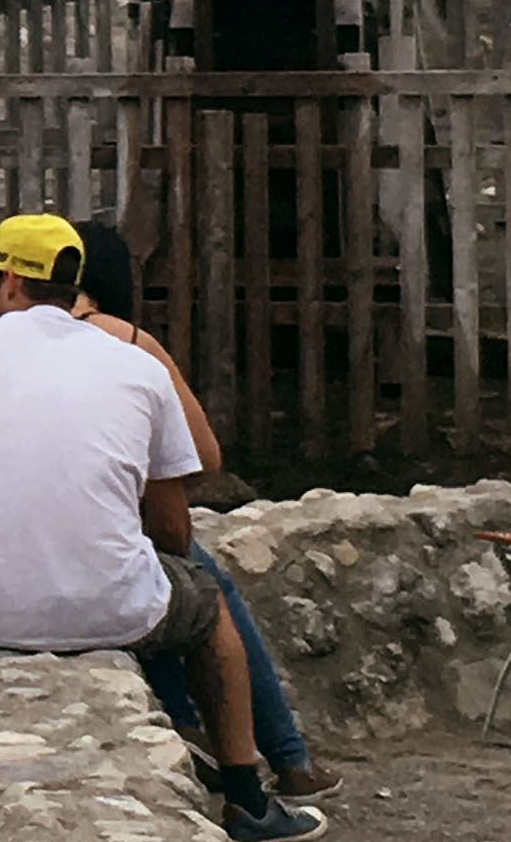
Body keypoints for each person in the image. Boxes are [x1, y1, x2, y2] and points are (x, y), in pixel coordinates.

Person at [0, 209, 323, 842]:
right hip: (122, 611)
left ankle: (217, 758)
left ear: (10, 280)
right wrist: (148, 574)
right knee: (209, 609)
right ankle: (248, 797)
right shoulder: (137, 362)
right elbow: (171, 518)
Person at [69, 220, 325, 800]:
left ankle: (188, 725)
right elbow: (205, 454)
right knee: (207, 589)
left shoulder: (3, 343)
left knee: (158, 587)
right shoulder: (128, 341)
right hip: (123, 521)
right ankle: (287, 759)